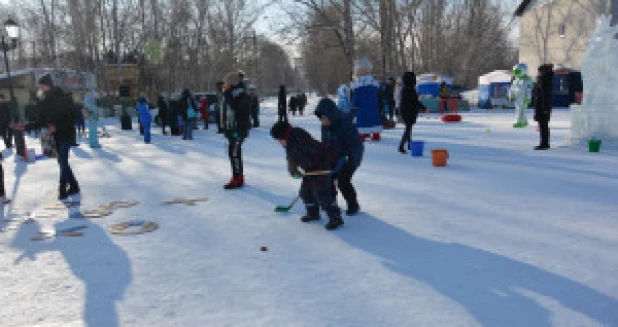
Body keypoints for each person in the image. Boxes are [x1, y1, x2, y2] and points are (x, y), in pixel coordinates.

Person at [270, 121, 345, 230]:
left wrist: (338, 157)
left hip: (321, 167)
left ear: (284, 136)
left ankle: (336, 217)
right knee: (305, 192)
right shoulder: (290, 144)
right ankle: (313, 213)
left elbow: (321, 147)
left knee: (321, 193)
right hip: (310, 170)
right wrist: (293, 171)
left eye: (279, 140)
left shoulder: (301, 139)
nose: (279, 143)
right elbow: (291, 158)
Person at [32, 74, 80, 200]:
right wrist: (25, 127)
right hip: (56, 137)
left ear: (47, 85)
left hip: (67, 134)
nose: (41, 88)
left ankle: (63, 188)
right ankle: (74, 185)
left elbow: (71, 118)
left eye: (42, 85)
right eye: (40, 86)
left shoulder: (62, 97)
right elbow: (41, 121)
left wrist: (57, 126)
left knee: (62, 160)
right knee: (61, 161)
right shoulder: (45, 101)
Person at [314, 98, 364, 216]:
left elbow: (355, 145)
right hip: (334, 156)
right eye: (321, 119)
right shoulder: (325, 126)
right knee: (328, 178)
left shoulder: (345, 124)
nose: (322, 122)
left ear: (331, 115)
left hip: (351, 156)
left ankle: (353, 204)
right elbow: (325, 143)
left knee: (343, 181)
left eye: (324, 118)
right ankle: (332, 204)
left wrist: (347, 157)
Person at [221, 72, 251, 189]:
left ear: (232, 84)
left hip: (238, 129)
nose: (224, 85)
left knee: (234, 153)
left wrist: (227, 94)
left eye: (226, 83)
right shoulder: (232, 93)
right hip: (232, 128)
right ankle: (238, 176)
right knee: (234, 153)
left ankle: (237, 178)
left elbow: (236, 108)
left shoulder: (240, 94)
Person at [351, 57, 383, 141]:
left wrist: (354, 106)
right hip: (373, 105)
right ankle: (376, 135)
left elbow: (357, 96)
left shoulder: (359, 83)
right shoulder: (373, 82)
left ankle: (362, 136)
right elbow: (378, 95)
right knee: (374, 119)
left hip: (363, 107)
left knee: (362, 121)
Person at [398, 71, 427, 154]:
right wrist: (424, 108)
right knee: (408, 128)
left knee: (409, 128)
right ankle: (401, 146)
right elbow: (415, 101)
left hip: (406, 111)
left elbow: (413, 101)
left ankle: (410, 145)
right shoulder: (409, 89)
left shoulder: (406, 88)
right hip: (409, 111)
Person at [534, 63, 554, 150]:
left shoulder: (544, 80)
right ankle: (543, 142)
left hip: (542, 106)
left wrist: (545, 108)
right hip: (541, 105)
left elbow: (544, 95)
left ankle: (544, 143)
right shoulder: (544, 79)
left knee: (543, 125)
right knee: (542, 125)